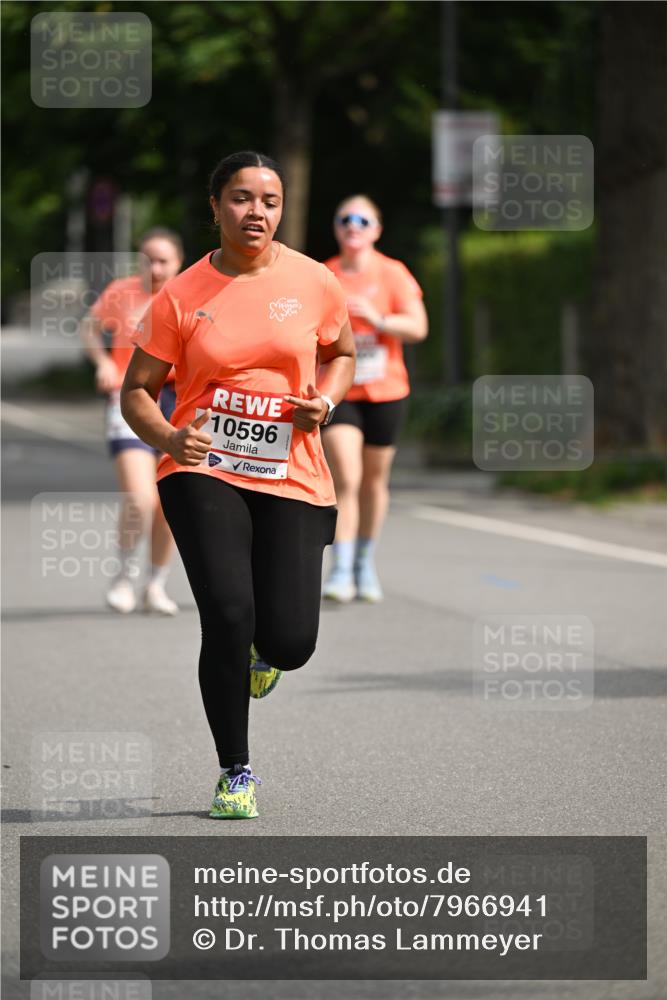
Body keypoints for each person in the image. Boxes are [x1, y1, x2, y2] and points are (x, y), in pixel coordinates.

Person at [120, 151, 355, 819]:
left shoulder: (314, 281)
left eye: (270, 201)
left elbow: (342, 353)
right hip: (203, 466)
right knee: (226, 613)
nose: (257, 212)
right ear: (216, 206)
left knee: (291, 642)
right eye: (242, 198)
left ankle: (264, 653)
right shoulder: (182, 294)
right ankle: (235, 771)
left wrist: (326, 402)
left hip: (291, 472)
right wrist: (169, 439)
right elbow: (137, 391)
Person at [321, 195, 428, 603]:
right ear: (336, 227)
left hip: (386, 390)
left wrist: (378, 319)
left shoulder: (392, 273)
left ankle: (365, 562)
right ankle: (341, 568)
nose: (353, 225)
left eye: (363, 220)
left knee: (373, 481)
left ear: (376, 230)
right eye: (345, 218)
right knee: (346, 477)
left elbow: (418, 326)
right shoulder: (324, 275)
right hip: (340, 389)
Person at [80, 228, 184, 615]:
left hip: (178, 401)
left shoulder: (189, 295)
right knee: (141, 498)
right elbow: (89, 328)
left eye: (163, 261)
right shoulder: (122, 291)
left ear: (178, 263)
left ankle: (155, 585)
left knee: (169, 502)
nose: (154, 269)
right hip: (130, 397)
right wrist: (104, 361)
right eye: (147, 260)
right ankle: (124, 577)